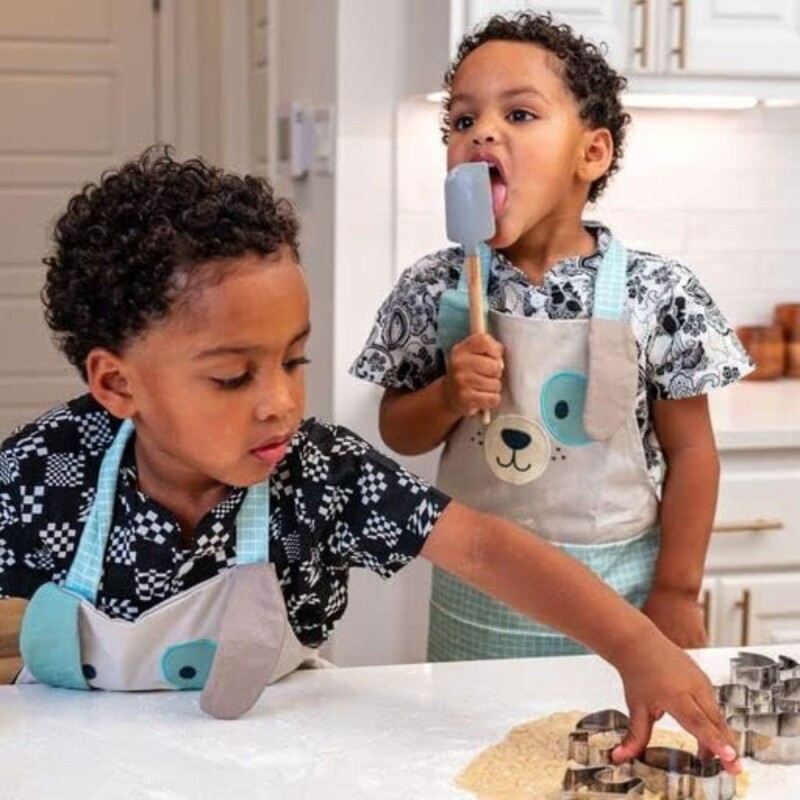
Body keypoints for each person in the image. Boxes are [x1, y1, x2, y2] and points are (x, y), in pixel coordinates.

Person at [0, 147, 738, 767]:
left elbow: (480, 546)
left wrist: (634, 644)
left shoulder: (319, 474)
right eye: (232, 377)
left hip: (278, 753)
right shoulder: (42, 477)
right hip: (79, 763)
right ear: (117, 383)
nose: (280, 403)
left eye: (293, 361)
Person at [351, 12, 753, 663]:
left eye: (519, 115)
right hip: (476, 594)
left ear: (590, 154)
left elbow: (693, 454)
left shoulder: (661, 292)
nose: (481, 130)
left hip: (619, 594)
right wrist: (448, 396)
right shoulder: (432, 286)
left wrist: (678, 592)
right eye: (460, 120)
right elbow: (399, 430)